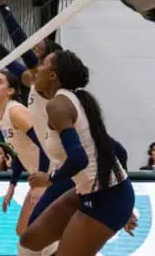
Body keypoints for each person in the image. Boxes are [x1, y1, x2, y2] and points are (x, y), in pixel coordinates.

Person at [18, 50, 135, 255]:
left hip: (108, 197)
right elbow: (115, 149)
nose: (38, 68)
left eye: (43, 64)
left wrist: (49, 178)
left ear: (53, 75)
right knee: (30, 240)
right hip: (89, 190)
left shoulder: (59, 105)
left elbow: (79, 159)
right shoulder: (76, 100)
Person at [0, 71, 50, 237]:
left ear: (10, 90)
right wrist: (12, 186)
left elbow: (45, 144)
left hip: (51, 176)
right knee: (23, 231)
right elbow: (18, 154)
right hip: (39, 177)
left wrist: (42, 183)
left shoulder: (14, 111)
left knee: (38, 233)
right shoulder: (0, 118)